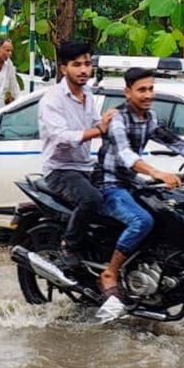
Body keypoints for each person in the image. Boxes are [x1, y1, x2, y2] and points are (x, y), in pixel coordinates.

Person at [93, 66, 184, 321]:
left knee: (174, 212)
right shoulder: (119, 119)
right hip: (109, 184)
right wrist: (156, 173)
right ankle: (110, 272)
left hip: (133, 182)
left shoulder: (151, 118)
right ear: (127, 92)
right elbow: (125, 155)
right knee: (141, 220)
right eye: (141, 90)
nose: (147, 94)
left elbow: (177, 143)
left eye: (151, 89)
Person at [37, 41, 117, 271]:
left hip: (85, 166)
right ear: (64, 69)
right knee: (91, 199)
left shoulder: (87, 95)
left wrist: (112, 126)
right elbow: (63, 137)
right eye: (76, 65)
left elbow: (94, 123)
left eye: (87, 64)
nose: (83, 70)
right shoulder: (52, 100)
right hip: (60, 169)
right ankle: (68, 246)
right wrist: (99, 130)